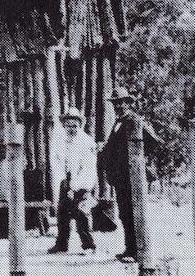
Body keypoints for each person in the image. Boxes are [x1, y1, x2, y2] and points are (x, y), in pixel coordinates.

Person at [99, 87, 161, 262]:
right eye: (115, 103)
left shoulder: (134, 120)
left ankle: (137, 250)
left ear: (128, 103)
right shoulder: (118, 122)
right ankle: (129, 248)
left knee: (134, 212)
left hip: (131, 176)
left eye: (121, 103)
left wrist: (137, 157)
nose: (118, 106)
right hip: (119, 177)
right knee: (124, 213)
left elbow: (153, 141)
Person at [48, 107, 97, 254]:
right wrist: (62, 180)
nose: (71, 129)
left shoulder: (86, 142)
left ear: (80, 125)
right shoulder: (59, 141)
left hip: (82, 182)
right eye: (68, 125)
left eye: (75, 126)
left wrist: (75, 187)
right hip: (65, 181)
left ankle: (88, 245)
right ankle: (62, 244)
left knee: (81, 213)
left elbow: (88, 167)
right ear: (64, 125)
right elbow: (55, 161)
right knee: (62, 213)